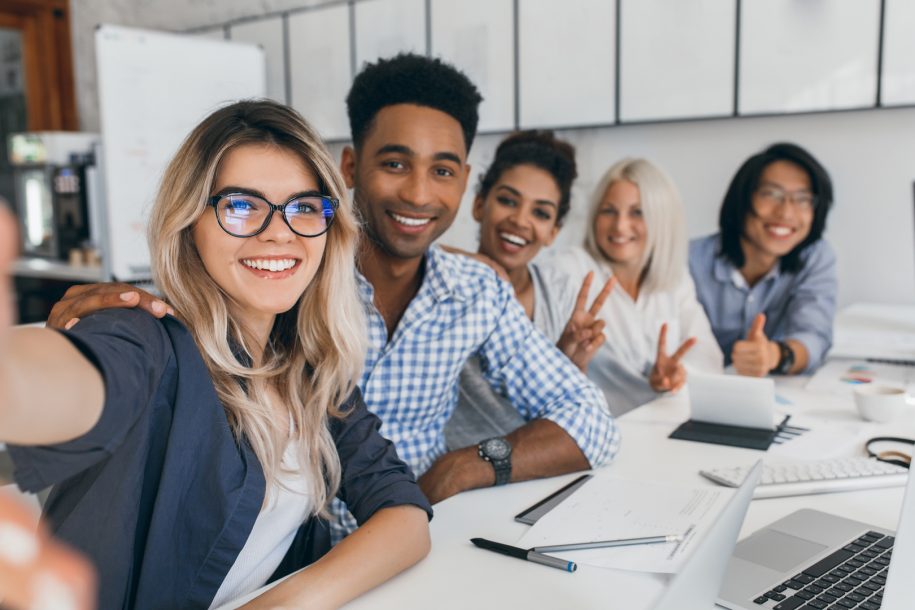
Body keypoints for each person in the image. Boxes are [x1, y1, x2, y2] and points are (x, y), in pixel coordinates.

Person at [44, 54, 619, 537]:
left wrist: (461, 468)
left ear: (465, 181)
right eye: (394, 164)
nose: (418, 193)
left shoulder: (476, 291)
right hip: (280, 550)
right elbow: (203, 303)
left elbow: (592, 419)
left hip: (416, 535)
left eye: (442, 171)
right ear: (349, 167)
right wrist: (128, 312)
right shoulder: (294, 275)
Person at [1, 101, 431, 609]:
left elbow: (405, 515)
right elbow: (47, 383)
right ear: (189, 223)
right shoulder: (145, 337)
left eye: (304, 207)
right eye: (242, 205)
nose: (279, 231)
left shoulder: (306, 367)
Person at [443, 130, 614, 449]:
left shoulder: (559, 293)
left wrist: (566, 366)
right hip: (457, 473)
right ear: (479, 205)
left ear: (553, 232)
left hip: (535, 466)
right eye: (508, 201)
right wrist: (472, 263)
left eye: (540, 213)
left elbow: (569, 414)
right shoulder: (444, 282)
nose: (520, 220)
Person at [544, 158, 723, 415]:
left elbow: (707, 355)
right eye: (608, 211)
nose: (620, 226)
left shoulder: (675, 278)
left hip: (662, 424)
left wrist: (677, 375)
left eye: (637, 212)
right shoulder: (568, 270)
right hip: (597, 429)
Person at [689, 142, 837, 377]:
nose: (786, 213)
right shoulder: (689, 261)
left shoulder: (815, 257)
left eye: (802, 199)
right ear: (742, 199)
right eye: (771, 194)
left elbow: (814, 335)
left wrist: (776, 355)